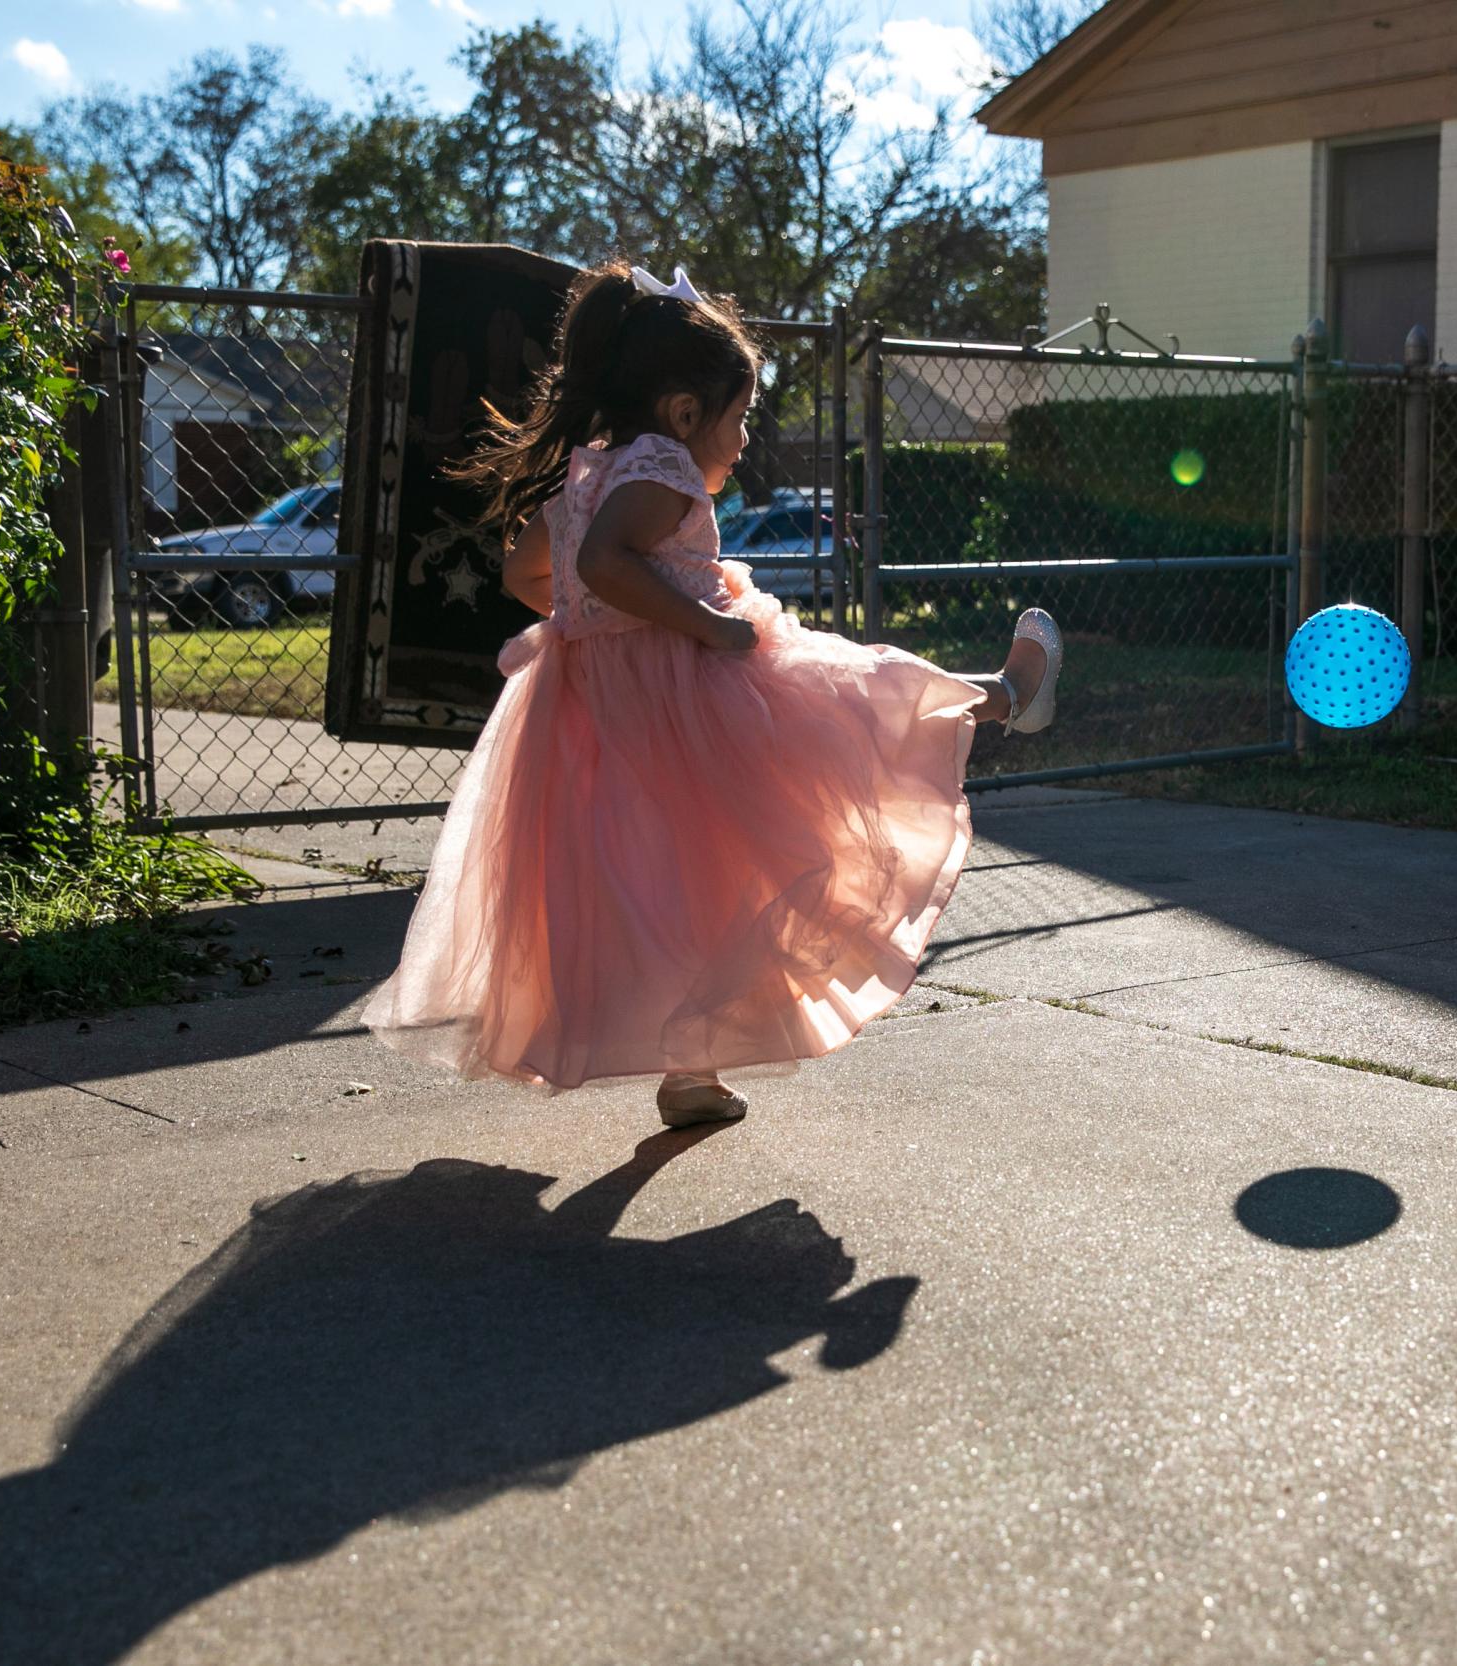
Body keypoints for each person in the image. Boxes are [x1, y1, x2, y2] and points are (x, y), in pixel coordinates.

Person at [365, 261, 1060, 1125]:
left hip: (603, 709)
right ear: (684, 413)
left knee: (682, 889)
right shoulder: (661, 467)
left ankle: (692, 1072)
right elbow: (601, 564)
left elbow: (527, 572)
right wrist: (705, 627)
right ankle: (1001, 695)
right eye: (738, 418)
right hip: (696, 687)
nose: (742, 439)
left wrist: (594, 624)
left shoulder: (591, 472)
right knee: (858, 698)